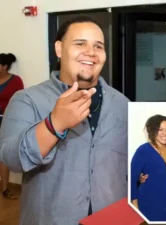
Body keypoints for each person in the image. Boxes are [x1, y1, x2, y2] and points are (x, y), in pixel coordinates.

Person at [0, 16, 129, 225]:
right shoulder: (27, 100)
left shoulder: (122, 104)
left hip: (111, 218)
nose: (91, 52)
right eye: (80, 44)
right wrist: (54, 124)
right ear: (59, 49)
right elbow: (12, 160)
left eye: (98, 46)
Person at [130, 115, 166, 222]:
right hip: (149, 205)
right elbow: (132, 180)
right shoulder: (143, 150)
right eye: (160, 130)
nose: (165, 133)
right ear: (153, 130)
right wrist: (135, 209)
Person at [0, 53, 24, 199]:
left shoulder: (15, 81)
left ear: (4, 67)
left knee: (3, 155)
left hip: (6, 120)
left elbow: (19, 101)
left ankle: (4, 188)